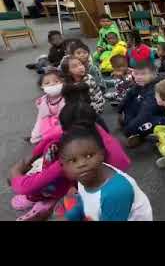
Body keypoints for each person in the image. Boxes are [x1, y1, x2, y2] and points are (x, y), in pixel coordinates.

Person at [9, 90, 130, 222]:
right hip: (113, 179)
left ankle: (48, 199)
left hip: (102, 192)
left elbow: (25, 186)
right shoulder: (94, 131)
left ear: (65, 127)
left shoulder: (75, 155)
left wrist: (16, 171)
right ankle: (62, 198)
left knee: (46, 176)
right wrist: (34, 155)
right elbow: (51, 137)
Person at [58, 126, 152, 221]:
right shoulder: (85, 176)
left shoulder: (115, 192)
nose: (82, 164)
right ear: (63, 166)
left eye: (88, 156)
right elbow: (84, 203)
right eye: (73, 161)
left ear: (102, 154)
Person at [118, 62, 165, 148]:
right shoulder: (141, 84)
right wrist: (119, 111)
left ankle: (141, 135)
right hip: (146, 110)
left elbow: (145, 114)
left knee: (145, 123)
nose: (138, 77)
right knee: (130, 104)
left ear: (153, 74)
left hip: (163, 117)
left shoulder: (155, 89)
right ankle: (136, 133)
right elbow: (128, 96)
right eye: (136, 73)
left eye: (143, 74)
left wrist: (127, 131)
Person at [30, 70, 65, 144]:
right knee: (37, 136)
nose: (52, 84)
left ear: (62, 83)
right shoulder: (43, 100)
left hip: (62, 122)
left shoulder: (66, 97)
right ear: (42, 86)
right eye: (47, 83)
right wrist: (35, 134)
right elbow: (40, 118)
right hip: (48, 123)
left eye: (56, 81)